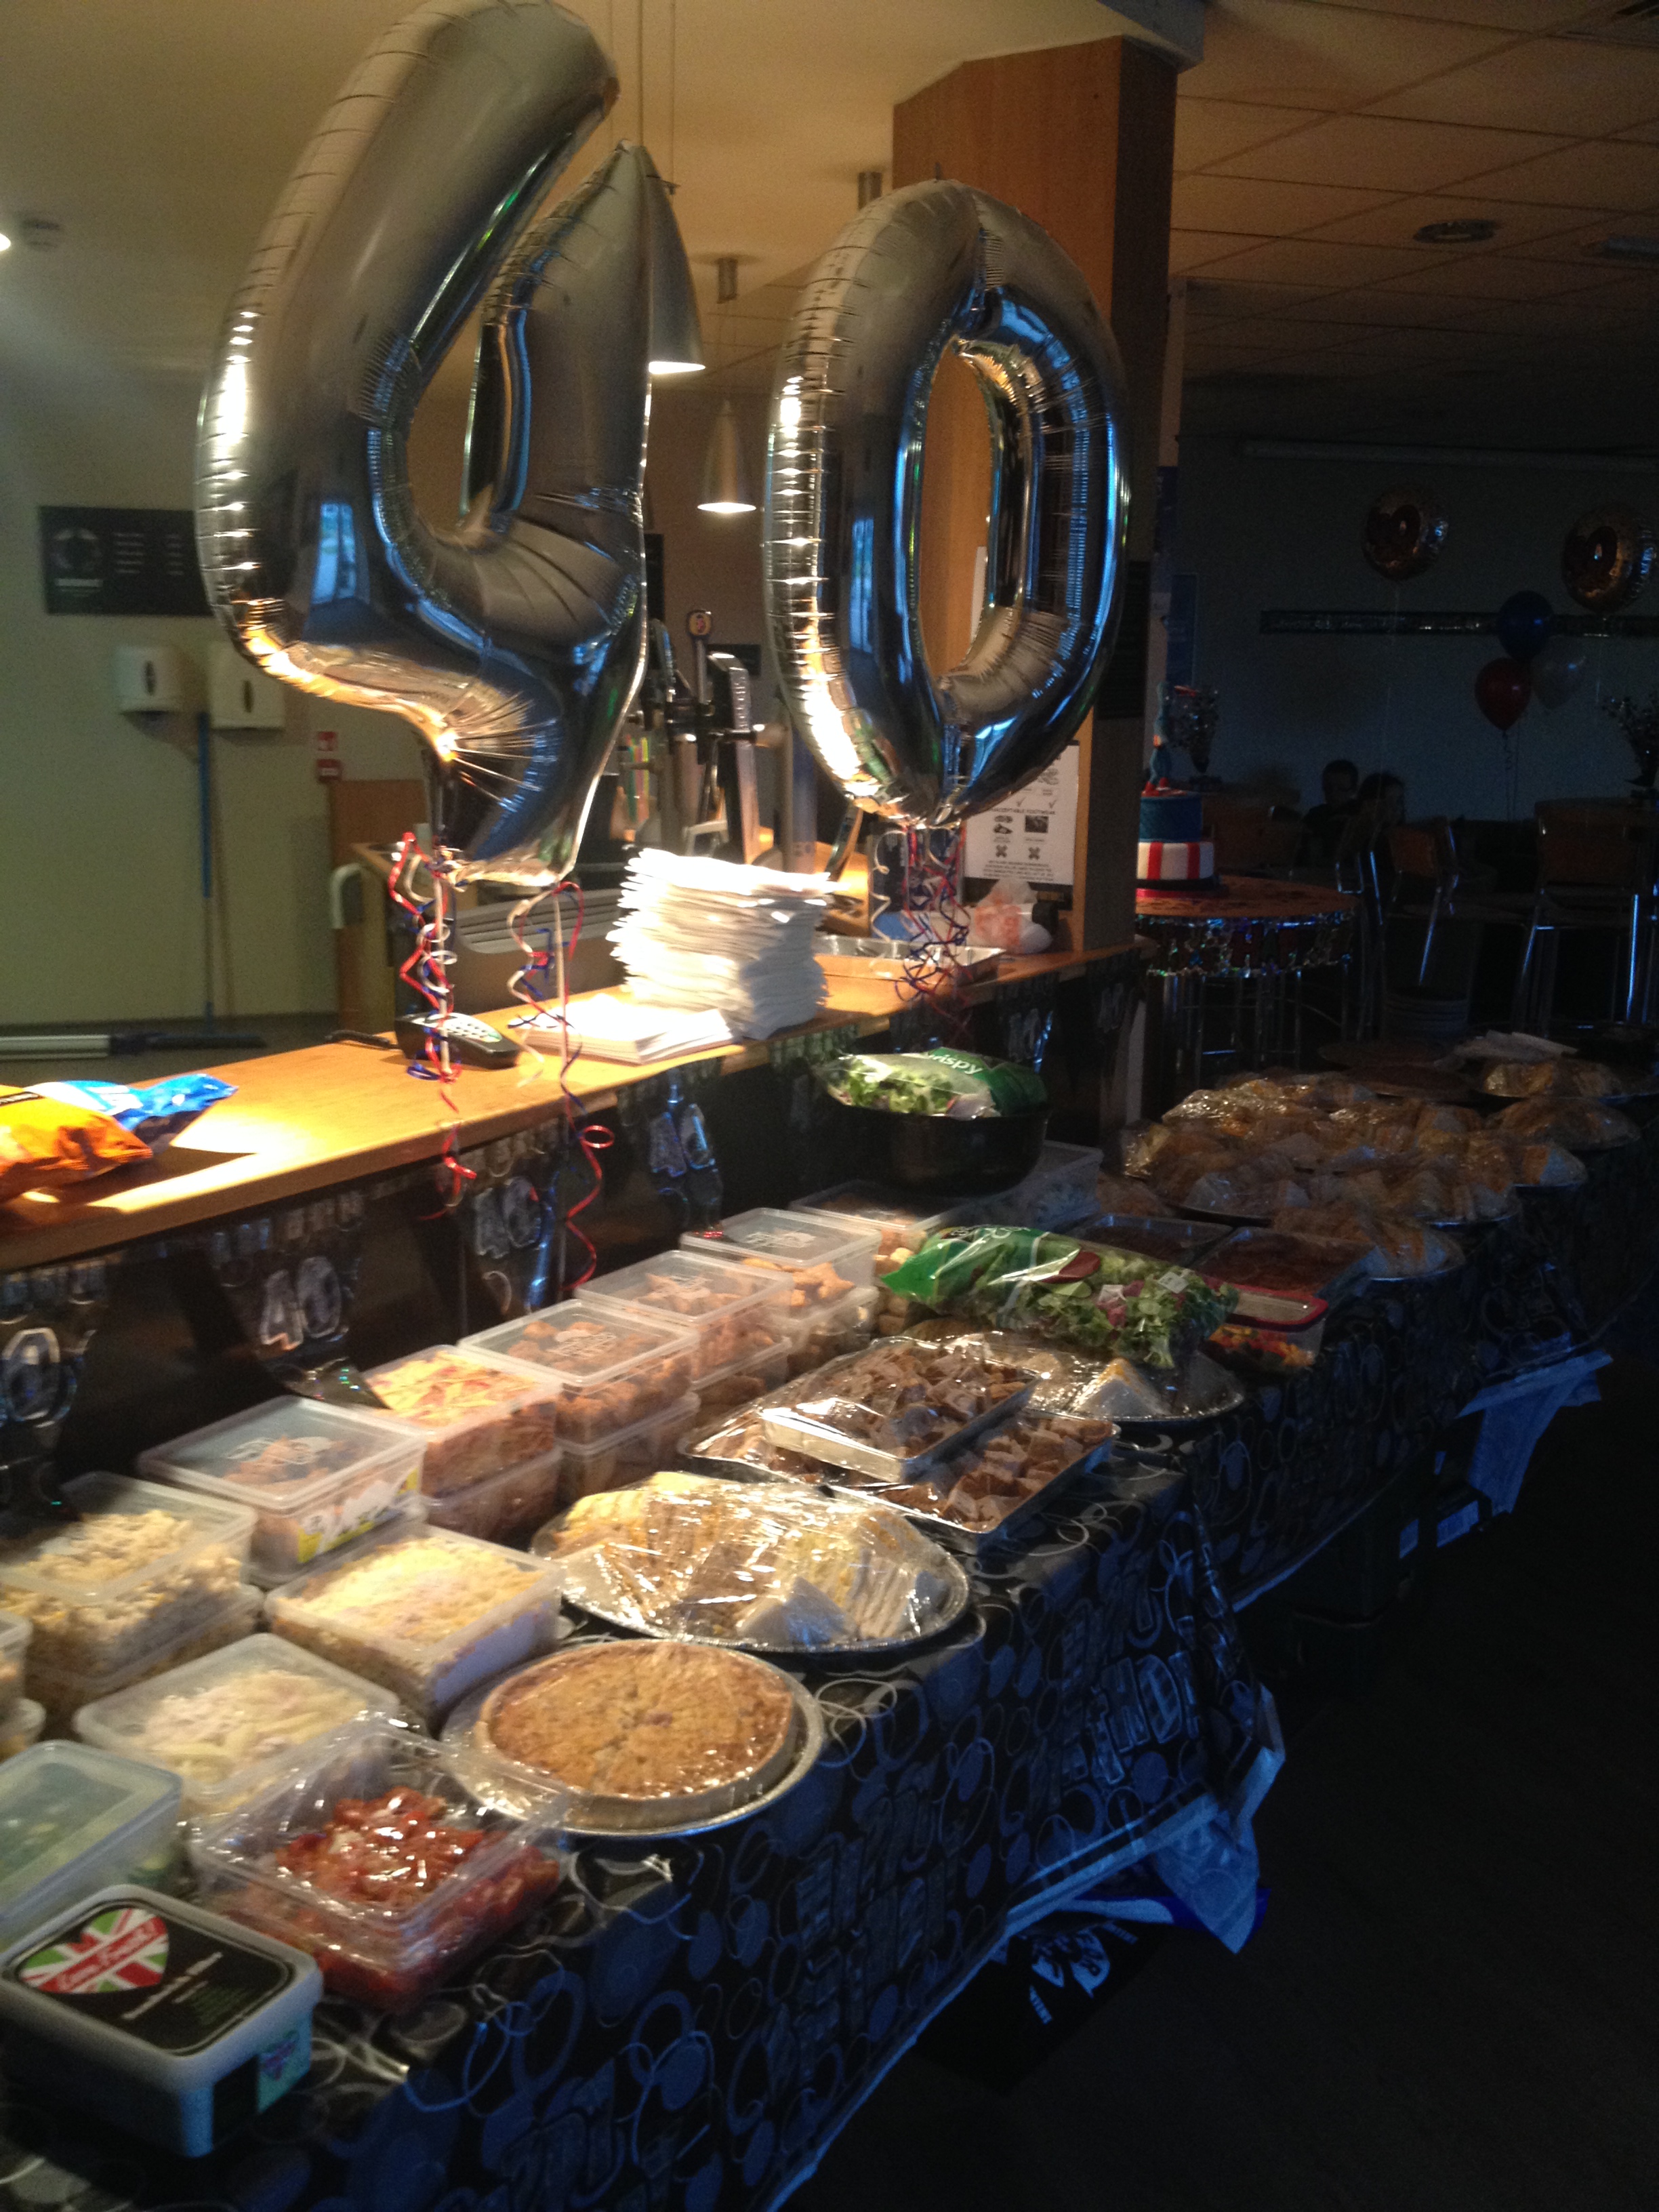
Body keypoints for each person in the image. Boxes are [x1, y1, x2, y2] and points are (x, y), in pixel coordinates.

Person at [1296, 757, 1360, 866]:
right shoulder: (1316, 814)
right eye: (1328, 788)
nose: (1333, 794)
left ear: (1354, 790)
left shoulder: (1360, 814)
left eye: (1342, 789)